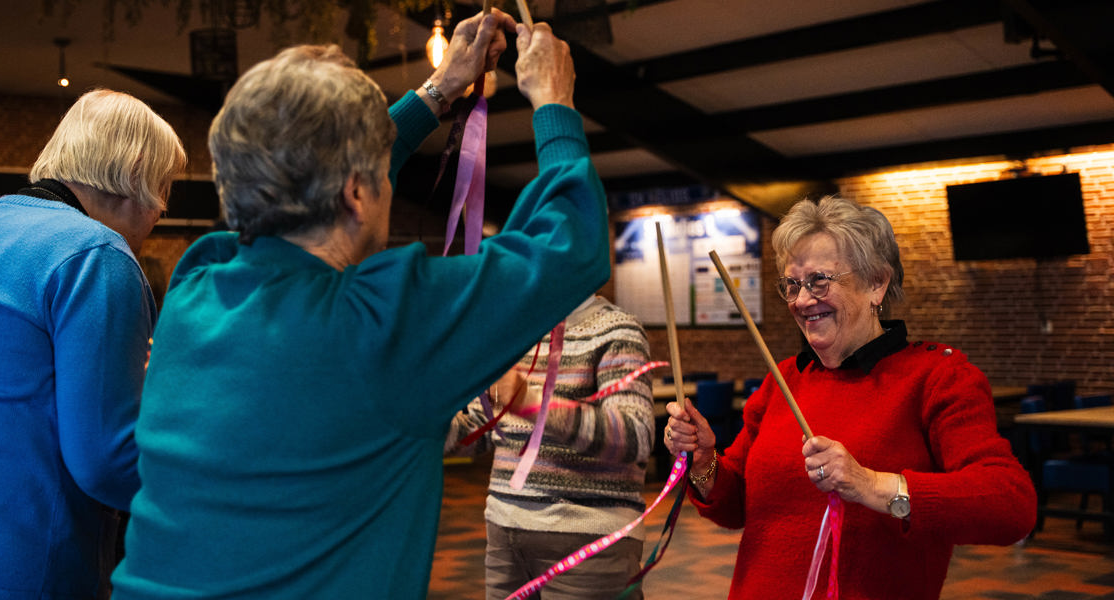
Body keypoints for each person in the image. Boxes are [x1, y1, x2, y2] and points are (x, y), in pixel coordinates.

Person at [111, 11, 611, 600]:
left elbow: (302, 182)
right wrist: (554, 100)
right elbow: (573, 244)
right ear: (355, 190)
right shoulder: (384, 322)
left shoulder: (197, 283)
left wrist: (439, 89)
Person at [663, 196, 1037, 599]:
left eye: (819, 281)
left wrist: (870, 484)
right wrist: (703, 461)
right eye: (792, 285)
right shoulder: (784, 379)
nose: (801, 301)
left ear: (876, 283)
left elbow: (1011, 505)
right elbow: (736, 504)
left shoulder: (938, 377)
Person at [0, 89, 186, 600]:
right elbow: (106, 460)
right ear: (136, 171)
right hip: (20, 569)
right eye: (164, 188)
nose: (160, 213)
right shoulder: (97, 254)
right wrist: (220, 487)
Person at [445, 294, 654, 599]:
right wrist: (417, 425)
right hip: (505, 532)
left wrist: (530, 403)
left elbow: (635, 436)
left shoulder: (618, 329)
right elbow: (479, 429)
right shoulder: (515, 330)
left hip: (587, 541)